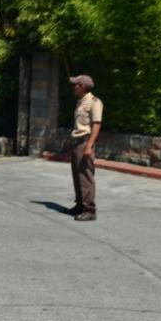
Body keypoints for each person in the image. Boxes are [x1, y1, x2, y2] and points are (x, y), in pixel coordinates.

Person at [67, 74, 103, 222]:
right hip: (76, 142)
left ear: (82, 86)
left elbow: (96, 124)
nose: (73, 86)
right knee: (77, 176)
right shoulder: (81, 102)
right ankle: (80, 205)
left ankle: (89, 210)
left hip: (84, 142)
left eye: (76, 84)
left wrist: (89, 146)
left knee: (85, 176)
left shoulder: (94, 102)